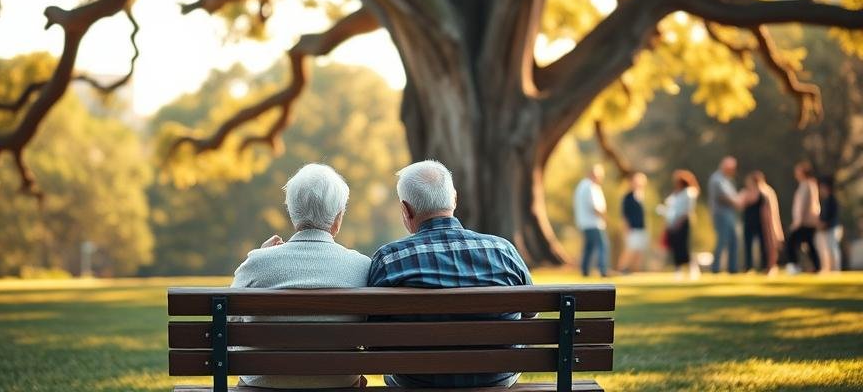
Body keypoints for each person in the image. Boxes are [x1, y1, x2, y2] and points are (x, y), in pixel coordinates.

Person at [368, 160, 533, 388]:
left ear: (405, 210)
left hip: (418, 382)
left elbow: (374, 336)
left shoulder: (390, 259)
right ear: (454, 198)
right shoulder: (503, 250)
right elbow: (530, 313)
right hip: (495, 379)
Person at [232, 163, 371, 389]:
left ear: (292, 212)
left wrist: (260, 257)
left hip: (263, 387)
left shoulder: (256, 263)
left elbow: (230, 333)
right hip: (337, 386)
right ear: (338, 217)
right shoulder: (362, 267)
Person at [740, 171, 784, 274]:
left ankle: (770, 266)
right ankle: (754, 267)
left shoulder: (765, 192)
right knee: (756, 246)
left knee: (768, 245)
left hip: (766, 224)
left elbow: (770, 211)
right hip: (755, 223)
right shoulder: (751, 192)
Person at [660, 170, 700, 280]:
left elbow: (688, 210)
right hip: (673, 223)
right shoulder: (676, 193)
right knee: (676, 247)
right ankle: (678, 270)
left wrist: (679, 222)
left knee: (685, 247)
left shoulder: (689, 192)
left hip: (683, 222)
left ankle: (693, 268)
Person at [785, 160, 821, 273]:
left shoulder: (808, 185)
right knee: (809, 244)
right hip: (806, 221)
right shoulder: (806, 185)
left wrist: (797, 222)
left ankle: (794, 266)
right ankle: (815, 267)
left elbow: (803, 205)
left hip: (806, 222)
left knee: (791, 242)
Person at [573, 164, 609, 277]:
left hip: (585, 223)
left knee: (589, 247)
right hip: (593, 223)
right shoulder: (590, 186)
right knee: (602, 246)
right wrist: (604, 217)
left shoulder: (582, 185)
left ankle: (585, 270)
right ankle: (603, 270)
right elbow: (594, 206)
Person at [707, 156, 741, 274]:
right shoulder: (716, 179)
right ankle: (715, 268)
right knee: (722, 240)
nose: (733, 171)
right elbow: (721, 197)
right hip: (720, 214)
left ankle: (732, 268)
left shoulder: (728, 180)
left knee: (734, 240)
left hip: (730, 213)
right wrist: (737, 203)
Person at [617, 172, 648, 274]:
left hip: (641, 227)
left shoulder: (640, 195)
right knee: (629, 250)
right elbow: (624, 215)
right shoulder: (628, 197)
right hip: (632, 228)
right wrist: (626, 228)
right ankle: (621, 269)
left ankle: (635, 271)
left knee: (639, 251)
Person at [817, 176, 842, 272]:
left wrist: (826, 224)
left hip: (832, 228)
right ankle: (827, 268)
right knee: (826, 249)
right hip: (825, 229)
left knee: (832, 249)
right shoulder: (825, 200)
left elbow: (833, 216)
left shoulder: (832, 200)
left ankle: (835, 269)